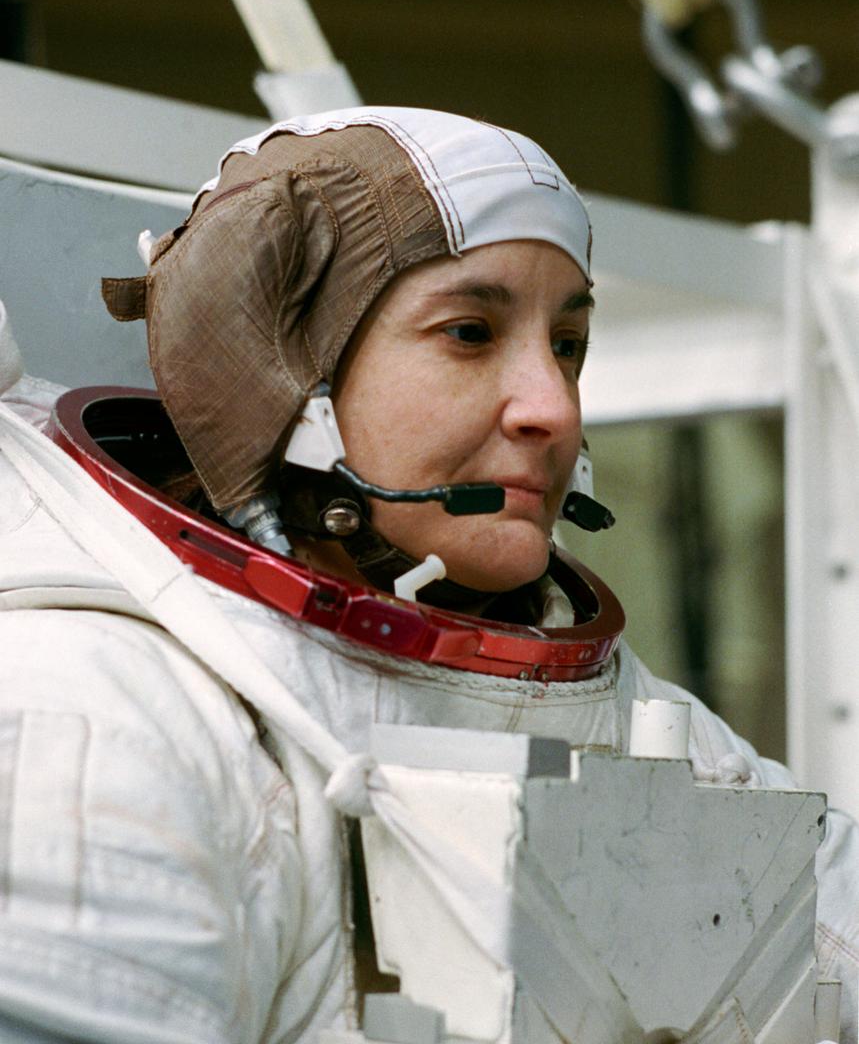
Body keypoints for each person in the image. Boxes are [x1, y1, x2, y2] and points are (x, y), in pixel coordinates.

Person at [0, 106, 856, 1043]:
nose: (552, 409)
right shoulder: (96, 715)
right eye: (469, 333)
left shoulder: (664, 740)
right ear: (281, 380)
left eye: (565, 345)